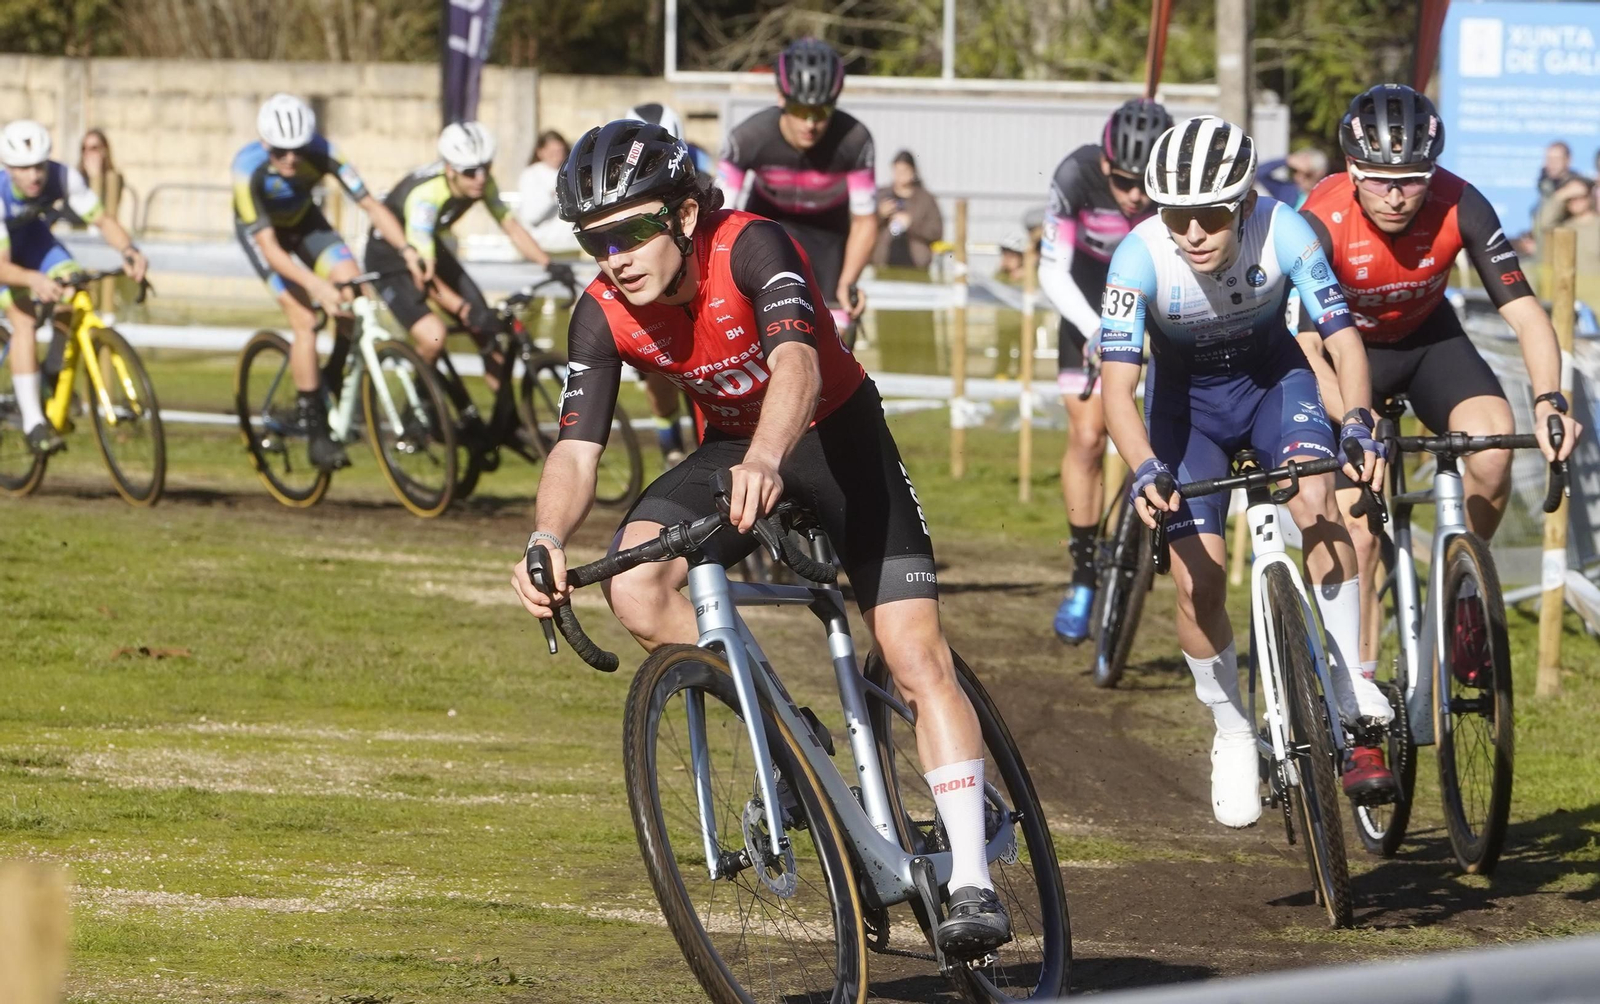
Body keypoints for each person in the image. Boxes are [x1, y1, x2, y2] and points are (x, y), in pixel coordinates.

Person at [507, 119, 1012, 957]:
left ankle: (970, 880)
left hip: (832, 434)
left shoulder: (753, 247)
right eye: (595, 241)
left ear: (682, 215)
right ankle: (789, 735)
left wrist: (772, 457)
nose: (615, 257)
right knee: (635, 585)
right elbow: (577, 446)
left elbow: (801, 367)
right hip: (732, 449)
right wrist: (548, 534)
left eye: (632, 231)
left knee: (914, 652)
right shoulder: (602, 311)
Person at [1099, 115, 1397, 824]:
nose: (1192, 233)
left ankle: (1347, 683)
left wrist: (1356, 420)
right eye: (1177, 216)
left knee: (1317, 503)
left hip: (1275, 387)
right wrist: (1144, 469)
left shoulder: (1285, 229)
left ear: (1242, 205)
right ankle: (1232, 728)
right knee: (1197, 578)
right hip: (1187, 411)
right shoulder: (1138, 257)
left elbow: (1344, 343)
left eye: (1209, 216)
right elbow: (1116, 390)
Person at [1297, 84, 1580, 695]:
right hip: (1347, 354)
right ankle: (1360, 698)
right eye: (1377, 180)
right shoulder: (1321, 218)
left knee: (1492, 448)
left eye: (1412, 179)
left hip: (1430, 343)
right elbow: (1306, 345)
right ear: (1351, 169)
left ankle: (1463, 591)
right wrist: (1351, 418)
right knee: (1361, 527)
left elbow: (1528, 316)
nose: (1396, 196)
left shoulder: (1460, 203)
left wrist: (1550, 401)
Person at [1037, 97, 1171, 644]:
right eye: (1122, 181)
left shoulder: (1173, 190)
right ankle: (1083, 574)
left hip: (1159, 310)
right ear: (1104, 166)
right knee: (1089, 436)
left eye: (1144, 183)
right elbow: (1052, 269)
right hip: (1087, 311)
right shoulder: (1074, 175)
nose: (1135, 195)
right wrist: (1099, 330)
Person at [232, 93, 419, 472]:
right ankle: (313, 421)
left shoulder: (326, 153)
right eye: (281, 152)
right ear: (265, 143)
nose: (291, 159)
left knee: (355, 294)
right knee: (307, 319)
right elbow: (269, 248)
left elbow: (370, 204)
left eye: (298, 150)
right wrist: (315, 287)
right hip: (266, 238)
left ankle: (330, 376)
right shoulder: (246, 169)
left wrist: (408, 249)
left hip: (304, 223)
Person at [366, 121, 566, 441]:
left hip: (429, 249)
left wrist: (549, 264)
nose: (481, 178)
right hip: (392, 257)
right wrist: (460, 307)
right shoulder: (426, 197)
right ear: (450, 169)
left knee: (486, 330)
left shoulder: (480, 182)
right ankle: (417, 410)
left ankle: (506, 421)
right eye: (471, 172)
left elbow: (511, 226)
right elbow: (424, 272)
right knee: (433, 334)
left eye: (485, 168)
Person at [0, 119, 146, 455]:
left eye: (39, 165)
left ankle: (51, 370)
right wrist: (34, 279)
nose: (35, 175)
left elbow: (103, 221)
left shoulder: (64, 176)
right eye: (24, 168)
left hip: (34, 241)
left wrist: (129, 250)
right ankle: (33, 423)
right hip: (4, 257)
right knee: (23, 320)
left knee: (76, 288)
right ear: (8, 168)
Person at [717, 37, 876, 338]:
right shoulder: (748, 137)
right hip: (767, 229)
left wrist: (849, 281)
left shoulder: (855, 140)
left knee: (837, 337)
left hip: (828, 237)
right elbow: (721, 212)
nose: (811, 124)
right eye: (800, 109)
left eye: (821, 111)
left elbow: (866, 220)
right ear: (781, 97)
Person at [625, 101, 713, 466]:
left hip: (696, 288)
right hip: (648, 296)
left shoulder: (701, 167)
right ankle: (670, 446)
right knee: (661, 383)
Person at [873, 150, 943, 269]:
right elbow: (861, 224)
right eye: (897, 170)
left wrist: (911, 224)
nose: (900, 175)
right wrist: (880, 214)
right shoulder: (881, 196)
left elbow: (936, 232)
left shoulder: (925, 200)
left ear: (913, 172)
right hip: (883, 262)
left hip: (916, 263)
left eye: (904, 170)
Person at [516, 130, 577, 254]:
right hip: (543, 247)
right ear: (540, 152)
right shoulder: (531, 175)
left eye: (560, 151)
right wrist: (555, 195)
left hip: (572, 246)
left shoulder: (571, 172)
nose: (556, 156)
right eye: (551, 152)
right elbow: (531, 216)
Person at [1255, 147, 1328, 209]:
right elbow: (1259, 172)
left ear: (1319, 174)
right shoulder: (1287, 191)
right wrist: (1288, 160)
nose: (1300, 177)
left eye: (1307, 174)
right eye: (1295, 171)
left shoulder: (1326, 196)